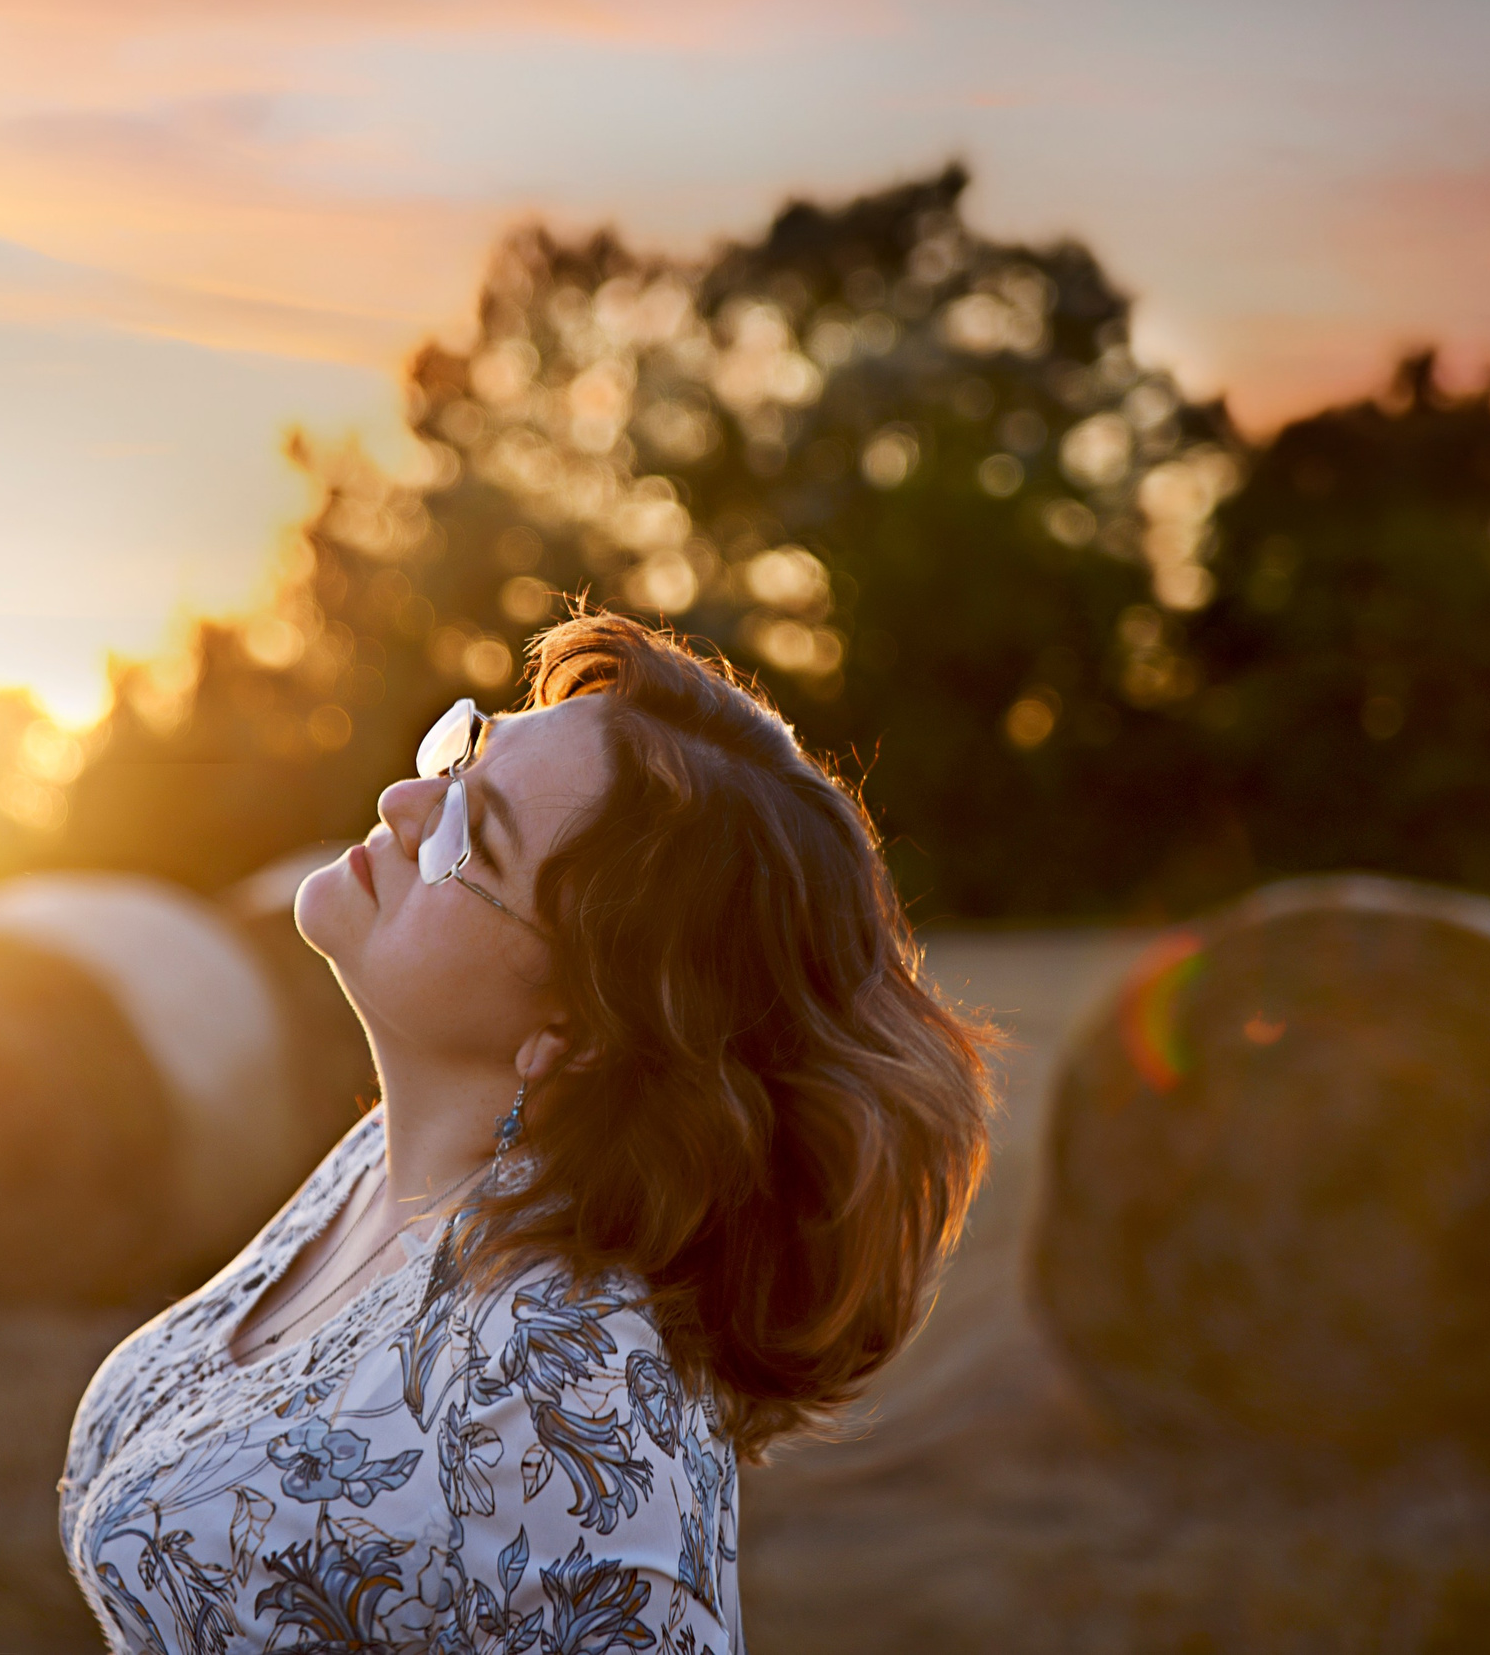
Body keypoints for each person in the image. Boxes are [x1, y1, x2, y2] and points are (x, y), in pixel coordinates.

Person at [59, 612, 997, 1654]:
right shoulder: (380, 1164)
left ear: (578, 1031)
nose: (401, 802)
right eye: (458, 751)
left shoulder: (565, 1372)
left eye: (472, 833)